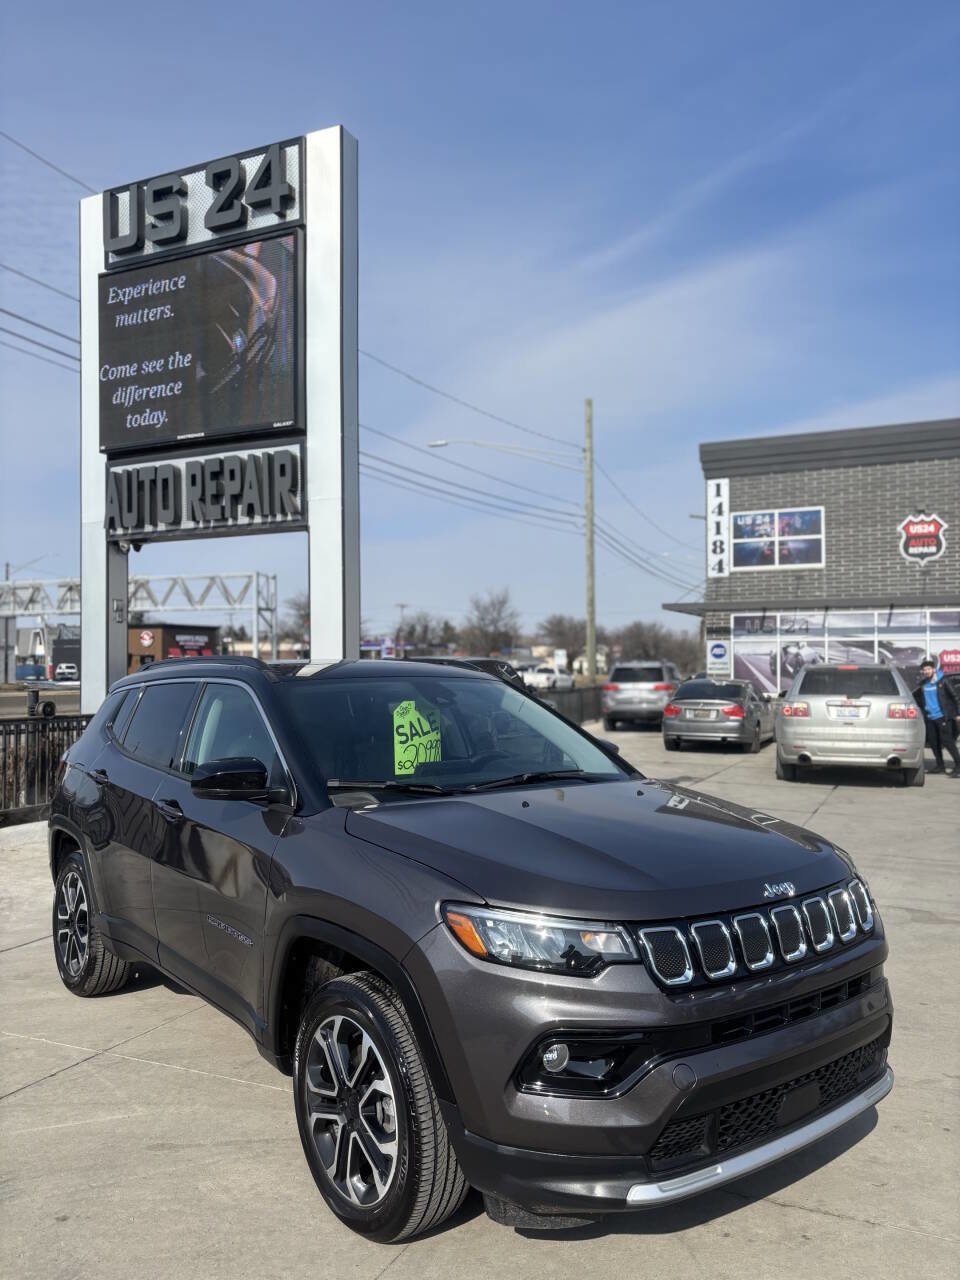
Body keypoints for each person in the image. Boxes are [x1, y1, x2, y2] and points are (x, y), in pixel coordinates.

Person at [913, 657, 960, 776]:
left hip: (942, 716)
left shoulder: (943, 681)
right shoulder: (924, 684)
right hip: (929, 717)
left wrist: (957, 714)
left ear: (934, 669)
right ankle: (940, 766)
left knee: (948, 742)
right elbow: (918, 699)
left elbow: (955, 697)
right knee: (934, 743)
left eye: (929, 669)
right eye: (924, 670)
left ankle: (958, 766)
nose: (926, 671)